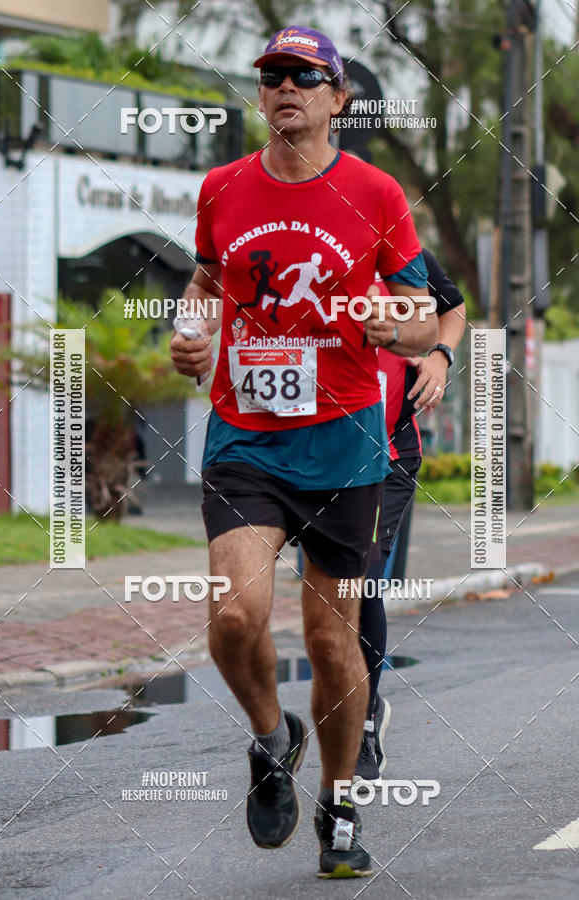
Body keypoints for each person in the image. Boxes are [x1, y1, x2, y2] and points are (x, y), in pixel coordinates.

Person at [170, 25, 437, 878]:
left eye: (303, 75)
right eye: (272, 75)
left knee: (332, 643)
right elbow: (208, 279)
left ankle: (341, 803)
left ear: (336, 98)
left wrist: (398, 324)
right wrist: (193, 327)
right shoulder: (222, 187)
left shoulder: (377, 192)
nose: (285, 86)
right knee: (237, 617)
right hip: (246, 436)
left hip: (347, 445)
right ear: (261, 94)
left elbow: (425, 312)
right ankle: (266, 738)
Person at [355, 249, 466, 784]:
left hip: (390, 453)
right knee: (325, 589)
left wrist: (440, 356)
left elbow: (455, 308)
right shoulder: (299, 246)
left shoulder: (403, 252)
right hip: (310, 453)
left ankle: (364, 716)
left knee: (363, 579)